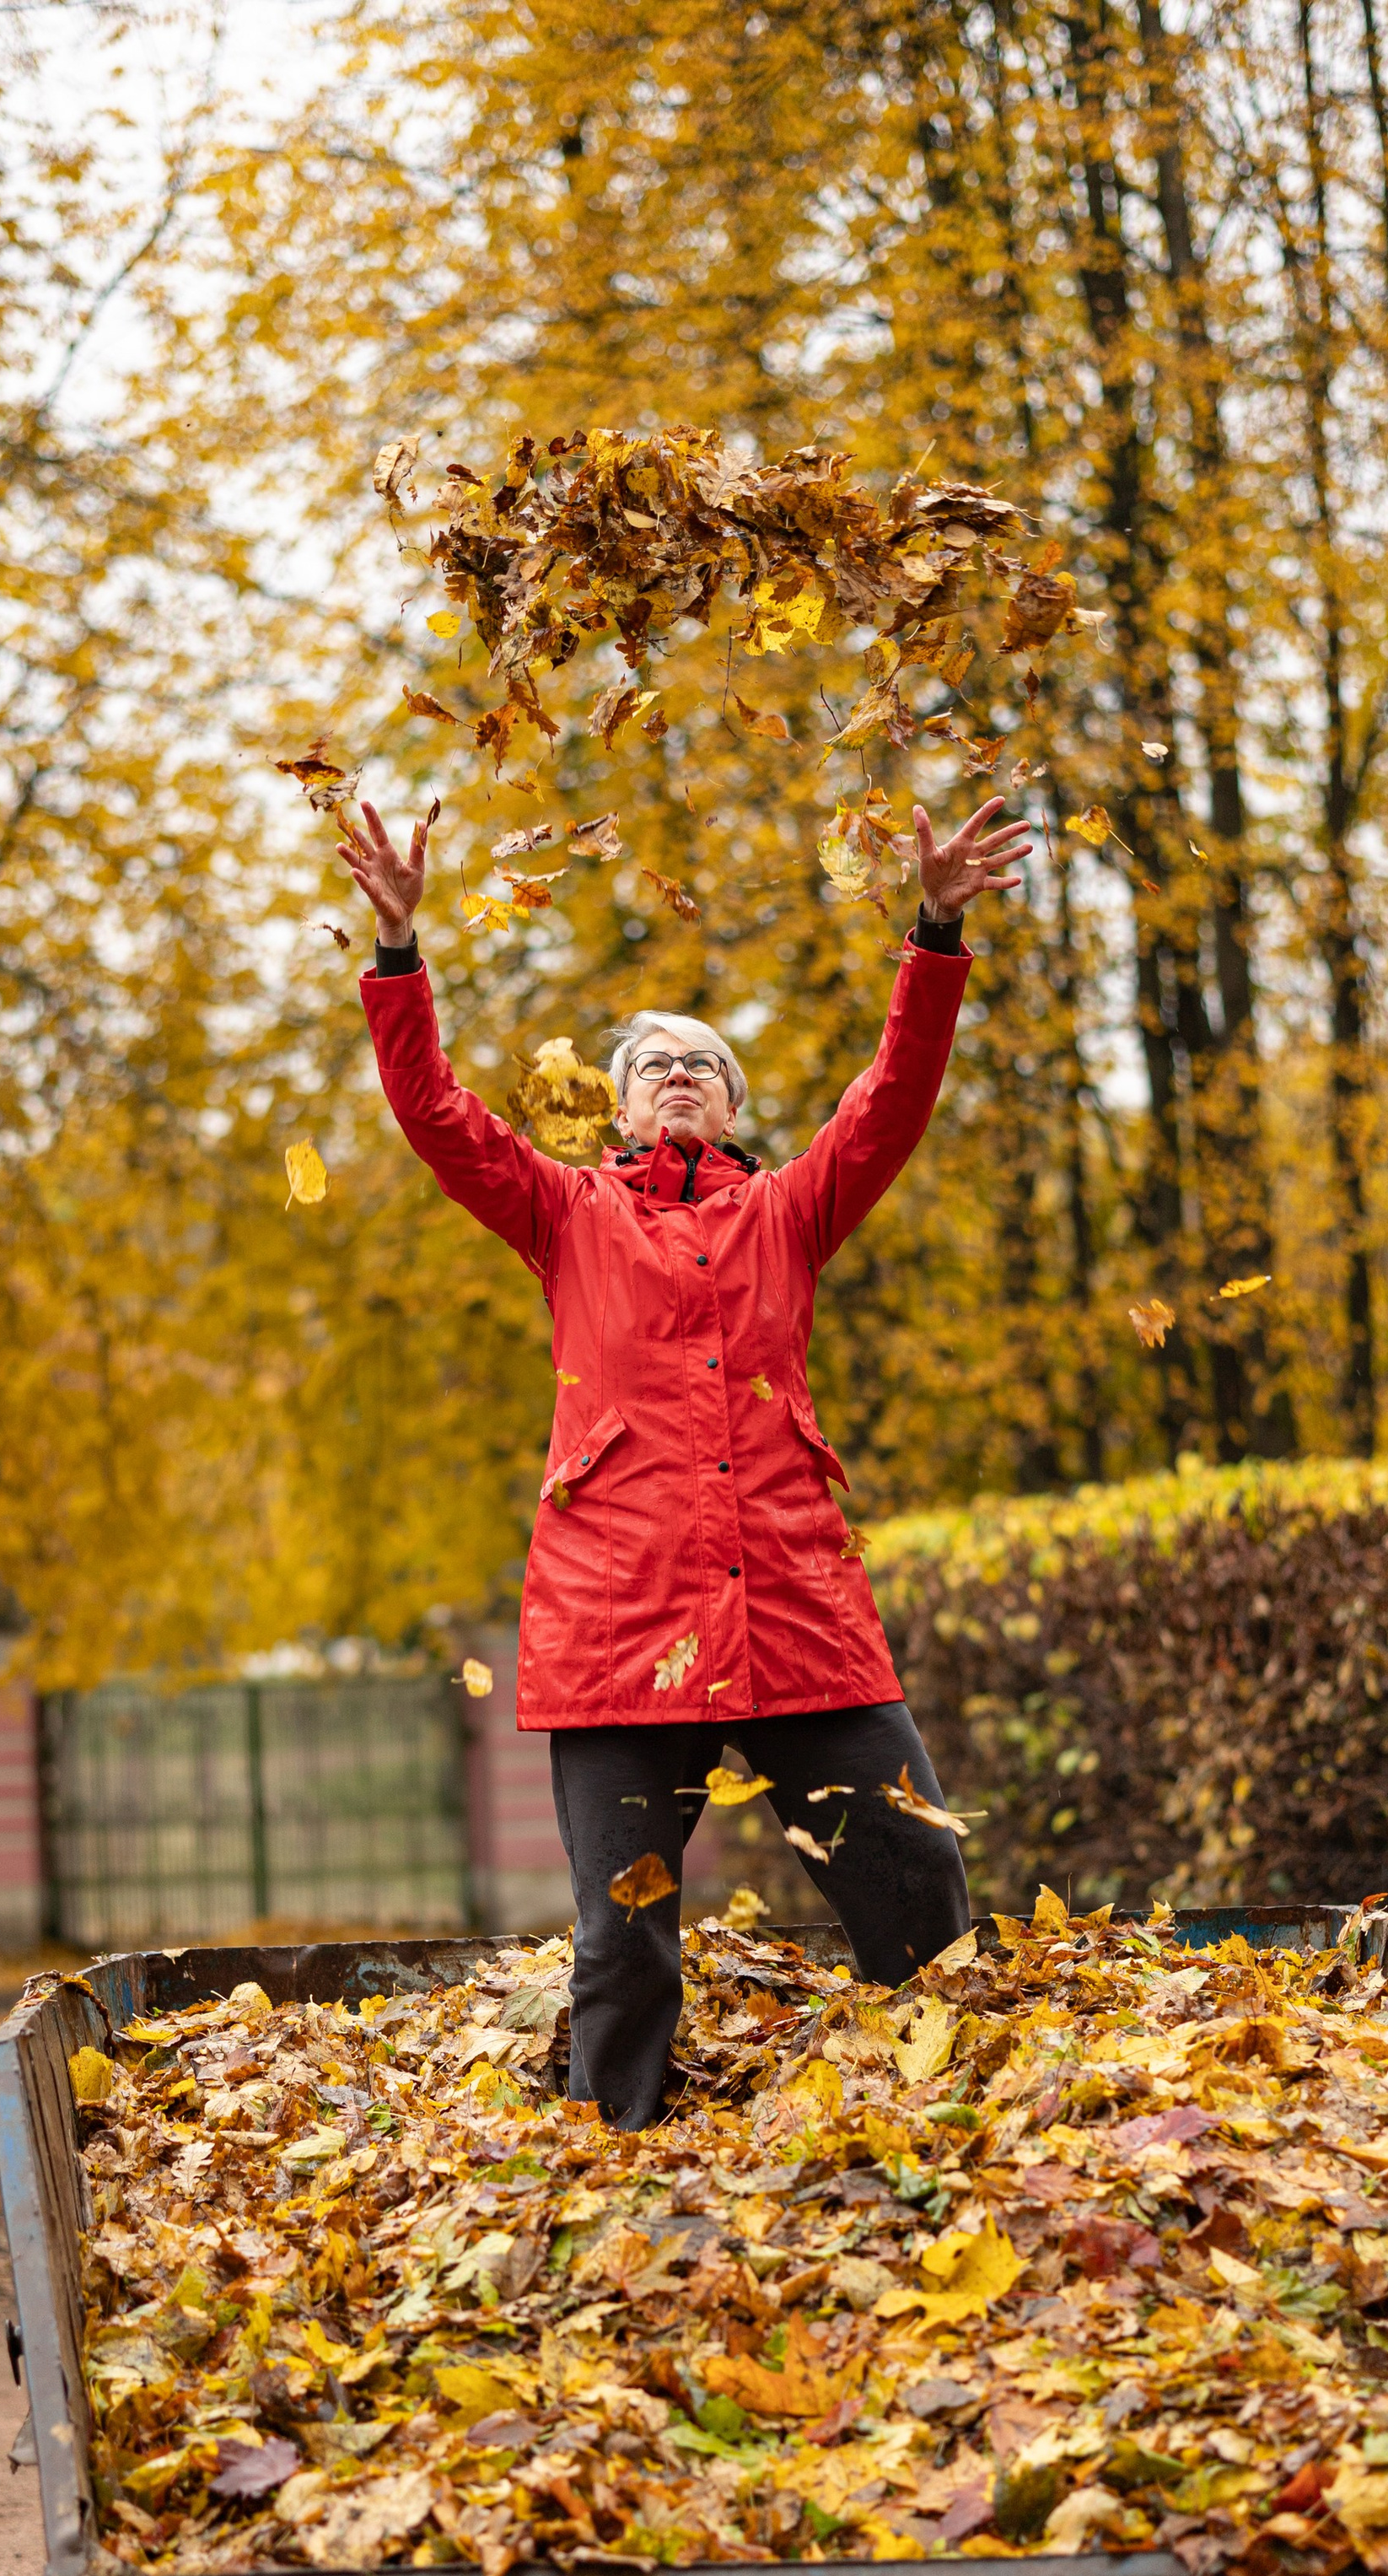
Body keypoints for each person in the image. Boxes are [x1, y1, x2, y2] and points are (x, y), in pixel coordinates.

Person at [341, 790, 1036, 2128]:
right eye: (653, 1060)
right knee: (623, 1945)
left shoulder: (790, 1210)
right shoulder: (567, 1212)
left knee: (918, 1891)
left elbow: (892, 1101)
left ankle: (961, 2128)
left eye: (703, 1062)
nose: (678, 1070)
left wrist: (936, 927)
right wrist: (397, 951)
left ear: (731, 1108)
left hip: (793, 1610)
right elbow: (436, 1114)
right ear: (614, 1107)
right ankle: (619, 2156)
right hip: (622, 1628)